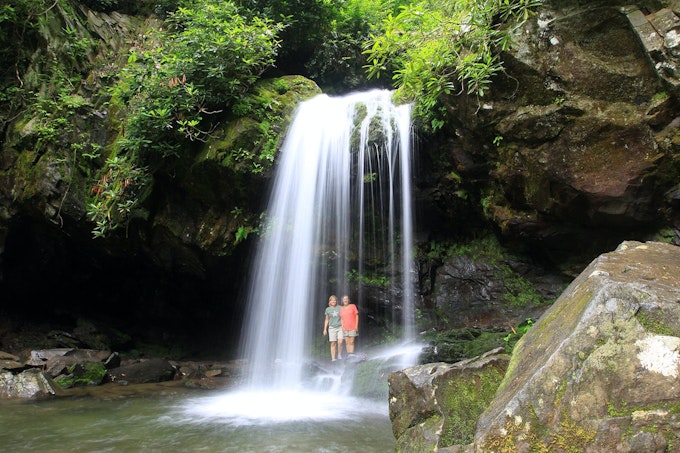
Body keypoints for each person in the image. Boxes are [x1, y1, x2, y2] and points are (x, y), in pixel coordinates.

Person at [322, 295, 344, 361]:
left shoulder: (340, 307)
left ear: (336, 301)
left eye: (334, 300)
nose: (333, 301)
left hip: (340, 327)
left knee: (340, 341)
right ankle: (333, 358)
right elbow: (326, 319)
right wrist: (325, 329)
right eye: (332, 300)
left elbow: (343, 317)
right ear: (330, 302)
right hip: (331, 328)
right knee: (333, 343)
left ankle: (339, 354)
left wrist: (344, 326)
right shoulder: (327, 309)